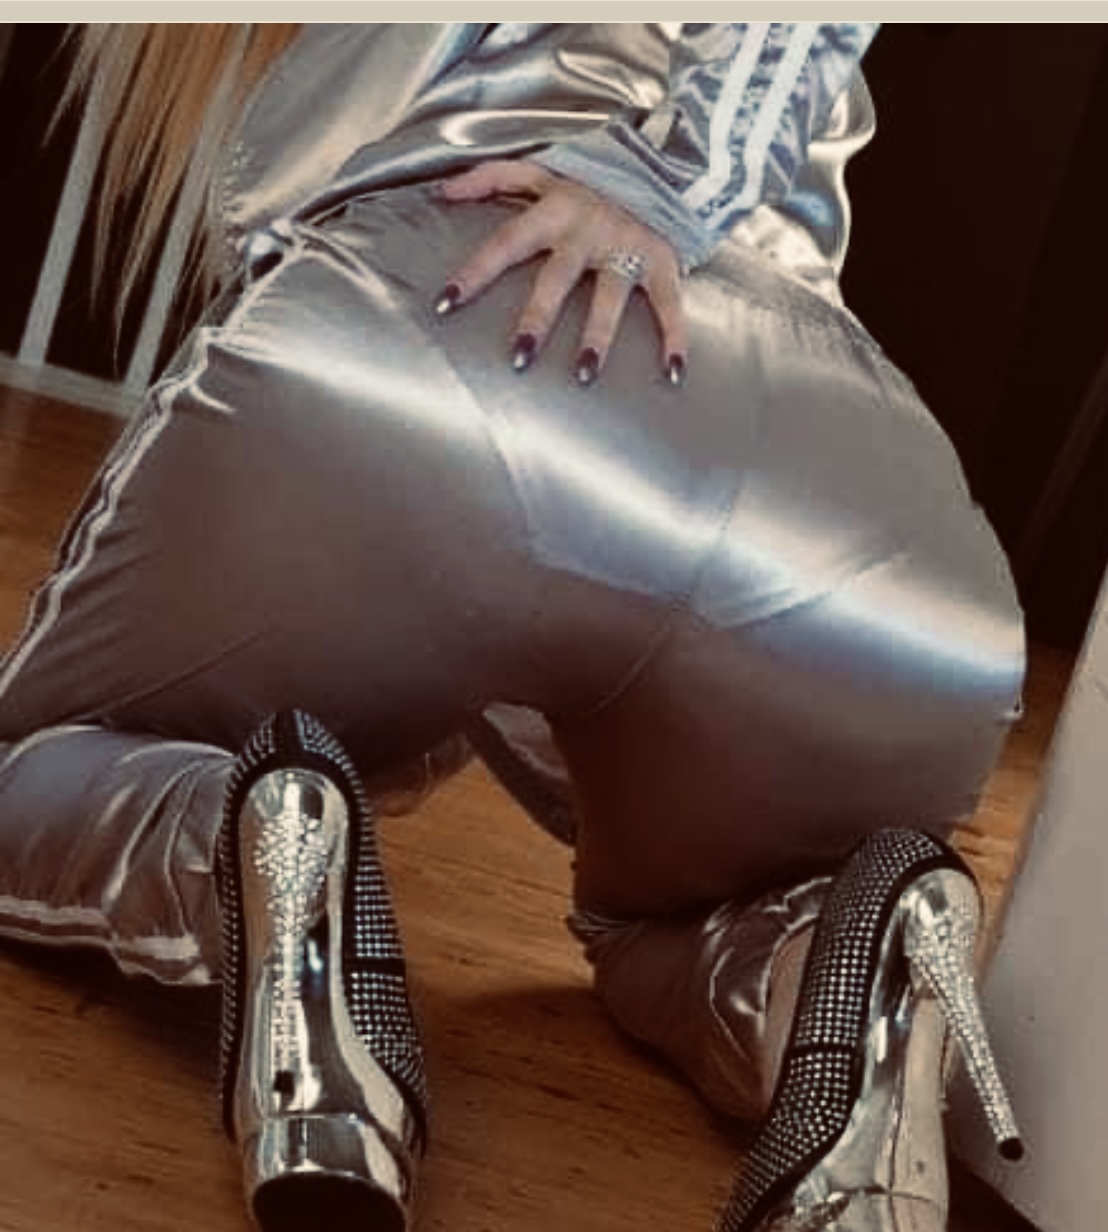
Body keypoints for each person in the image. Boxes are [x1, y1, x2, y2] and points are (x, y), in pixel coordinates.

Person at [0, 23, 1025, 1232]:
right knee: (666, 926)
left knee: (36, 760)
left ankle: (244, 837)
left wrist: (660, 182)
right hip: (873, 529)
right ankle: (847, 972)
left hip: (430, 329)